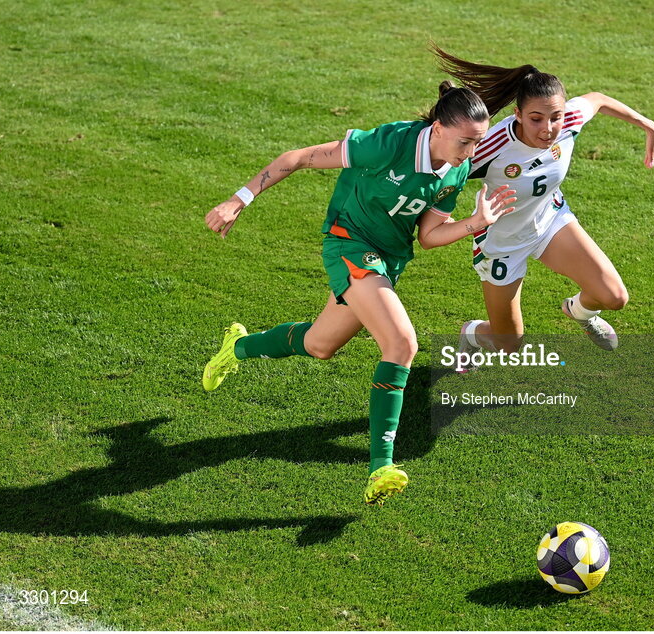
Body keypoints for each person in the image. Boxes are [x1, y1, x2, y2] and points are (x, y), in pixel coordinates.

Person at [202, 82, 516, 505]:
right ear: (438, 128)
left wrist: (475, 222)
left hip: (389, 261)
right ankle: (380, 466)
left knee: (319, 344)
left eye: (478, 142)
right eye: (466, 141)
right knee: (402, 343)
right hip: (349, 244)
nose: (472, 151)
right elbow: (297, 159)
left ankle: (238, 347)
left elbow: (429, 236)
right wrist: (239, 200)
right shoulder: (386, 144)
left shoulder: (457, 168)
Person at [430, 47, 654, 367]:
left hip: (550, 220)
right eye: (536, 119)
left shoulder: (569, 120)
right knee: (509, 345)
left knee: (614, 297)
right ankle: (471, 334)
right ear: (518, 115)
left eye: (556, 117)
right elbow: (439, 171)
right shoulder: (491, 147)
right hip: (502, 242)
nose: (548, 129)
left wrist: (647, 124)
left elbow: (598, 99)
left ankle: (579, 311)